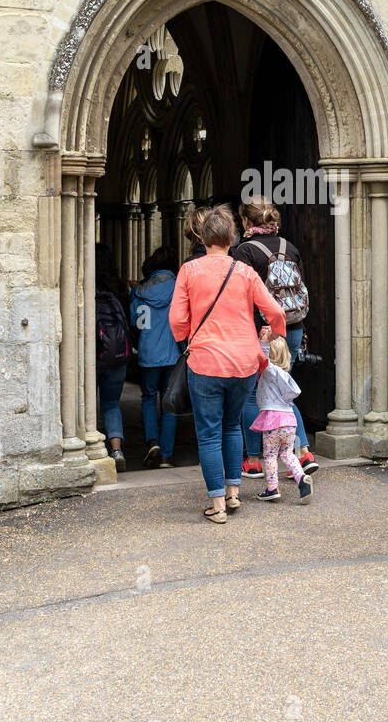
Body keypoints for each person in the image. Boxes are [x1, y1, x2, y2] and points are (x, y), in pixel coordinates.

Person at [169, 204, 287, 523]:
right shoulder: (244, 272)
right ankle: (234, 493)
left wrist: (188, 340)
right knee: (232, 425)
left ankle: (217, 504)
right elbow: (275, 312)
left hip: (205, 361)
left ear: (202, 237)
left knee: (208, 434)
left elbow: (177, 319)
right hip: (245, 362)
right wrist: (274, 332)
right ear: (232, 236)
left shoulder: (190, 271)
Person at [233, 197, 316, 478]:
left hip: (261, 332)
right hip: (292, 328)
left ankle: (255, 460)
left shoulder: (244, 252)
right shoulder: (289, 247)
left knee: (250, 395)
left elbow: (241, 298)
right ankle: (303, 454)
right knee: (284, 391)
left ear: (246, 222)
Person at [130, 246, 180, 470]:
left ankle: (152, 442)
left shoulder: (139, 292)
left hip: (148, 354)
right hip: (172, 353)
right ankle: (167, 455)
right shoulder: (179, 288)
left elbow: (134, 322)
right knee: (169, 402)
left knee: (149, 398)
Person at [252, 334, 314, 504]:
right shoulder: (286, 375)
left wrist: (263, 341)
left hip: (273, 420)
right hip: (289, 421)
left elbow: (263, 355)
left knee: (270, 455)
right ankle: (301, 479)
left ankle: (272, 488)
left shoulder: (270, 371)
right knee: (287, 453)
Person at [95, 243, 131, 470]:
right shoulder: (118, 288)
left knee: (84, 404)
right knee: (111, 403)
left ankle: (90, 447)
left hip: (94, 355)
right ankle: (116, 449)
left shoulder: (83, 286)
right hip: (118, 355)